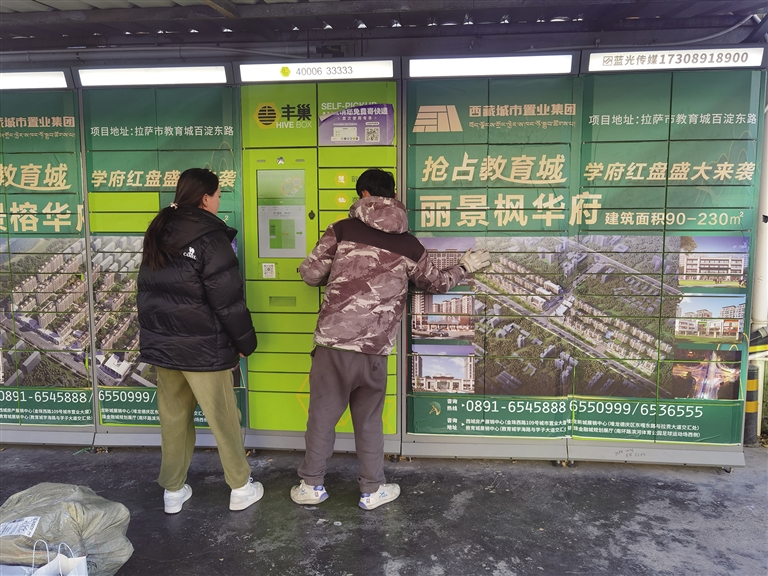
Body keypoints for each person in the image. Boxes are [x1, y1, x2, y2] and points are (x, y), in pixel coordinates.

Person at [292, 168, 490, 510]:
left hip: (333, 345)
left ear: (363, 195)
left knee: (322, 417)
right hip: (375, 350)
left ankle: (311, 486)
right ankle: (372, 491)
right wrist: (464, 267)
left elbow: (310, 275)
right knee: (369, 420)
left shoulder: (341, 230)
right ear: (393, 196)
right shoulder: (409, 244)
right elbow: (436, 283)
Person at [137, 168, 262, 514]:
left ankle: (173, 491)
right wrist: (245, 343)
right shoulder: (211, 238)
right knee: (224, 419)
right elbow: (228, 300)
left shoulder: (158, 231)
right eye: (219, 195)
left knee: (174, 419)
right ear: (205, 198)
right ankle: (240, 487)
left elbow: (147, 292)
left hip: (166, 347)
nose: (219, 201)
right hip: (205, 348)